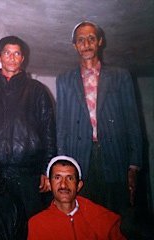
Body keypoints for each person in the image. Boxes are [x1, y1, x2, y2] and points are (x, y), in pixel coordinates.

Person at [56, 21, 142, 215]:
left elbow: (133, 123)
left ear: (100, 42)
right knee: (85, 215)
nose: (86, 44)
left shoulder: (120, 76)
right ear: (75, 46)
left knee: (114, 216)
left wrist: (134, 165)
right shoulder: (64, 80)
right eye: (80, 40)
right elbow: (61, 127)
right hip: (79, 158)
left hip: (114, 156)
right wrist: (63, 165)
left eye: (91, 39)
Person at [0, 35, 56, 219]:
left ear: (22, 58)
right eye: (7, 53)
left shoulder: (37, 90)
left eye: (16, 53)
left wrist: (46, 170)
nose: (11, 57)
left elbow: (49, 132)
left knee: (30, 224)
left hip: (28, 173)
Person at [28, 156, 126, 240]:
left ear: (79, 185)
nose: (63, 185)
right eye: (57, 178)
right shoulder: (38, 224)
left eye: (70, 178)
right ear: (49, 184)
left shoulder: (102, 218)